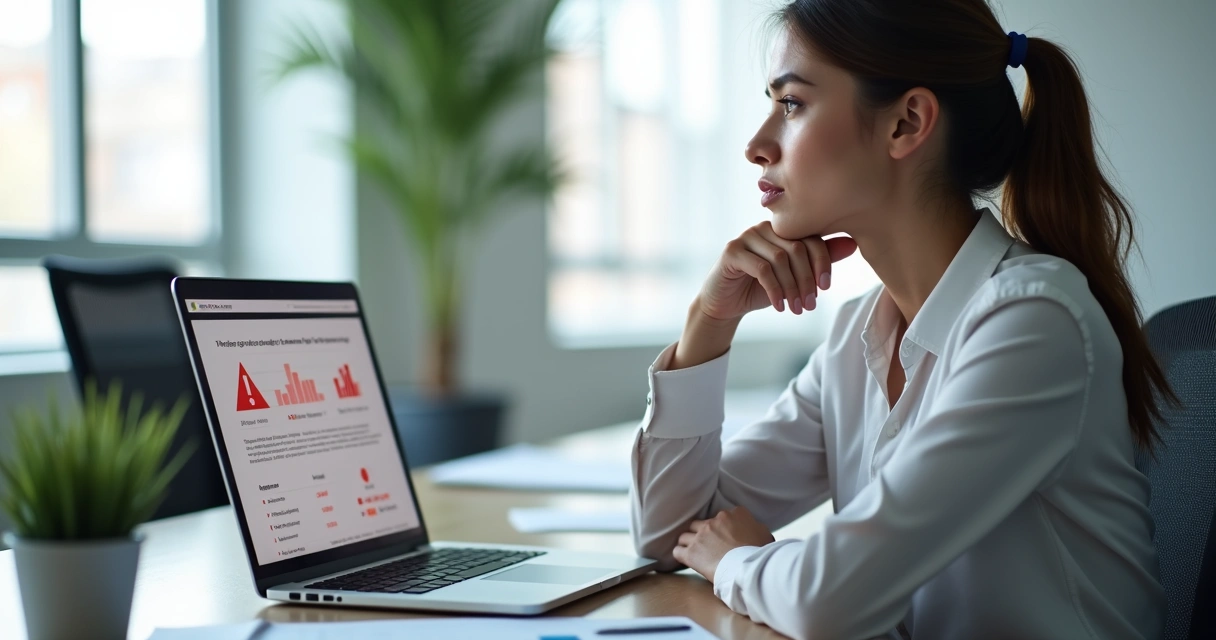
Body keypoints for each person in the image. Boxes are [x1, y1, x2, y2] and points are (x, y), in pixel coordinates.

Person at [628, 1, 1173, 638]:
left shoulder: (1032, 322)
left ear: (907, 123)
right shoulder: (859, 335)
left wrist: (739, 562)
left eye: (793, 104)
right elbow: (667, 537)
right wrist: (708, 321)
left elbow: (828, 601)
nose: (756, 146)